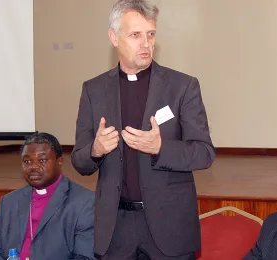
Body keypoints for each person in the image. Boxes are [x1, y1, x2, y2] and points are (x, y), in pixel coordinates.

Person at [71, 0, 215, 259]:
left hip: (169, 227)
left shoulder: (182, 87)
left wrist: (161, 148)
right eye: (135, 35)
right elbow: (80, 162)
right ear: (114, 37)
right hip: (115, 229)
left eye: (151, 34)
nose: (146, 44)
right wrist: (95, 149)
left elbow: (204, 153)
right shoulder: (93, 91)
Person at [0, 133, 95, 260]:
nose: (33, 167)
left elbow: (85, 257)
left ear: (59, 162)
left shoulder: (84, 202)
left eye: (42, 160)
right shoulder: (8, 202)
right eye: (27, 161)